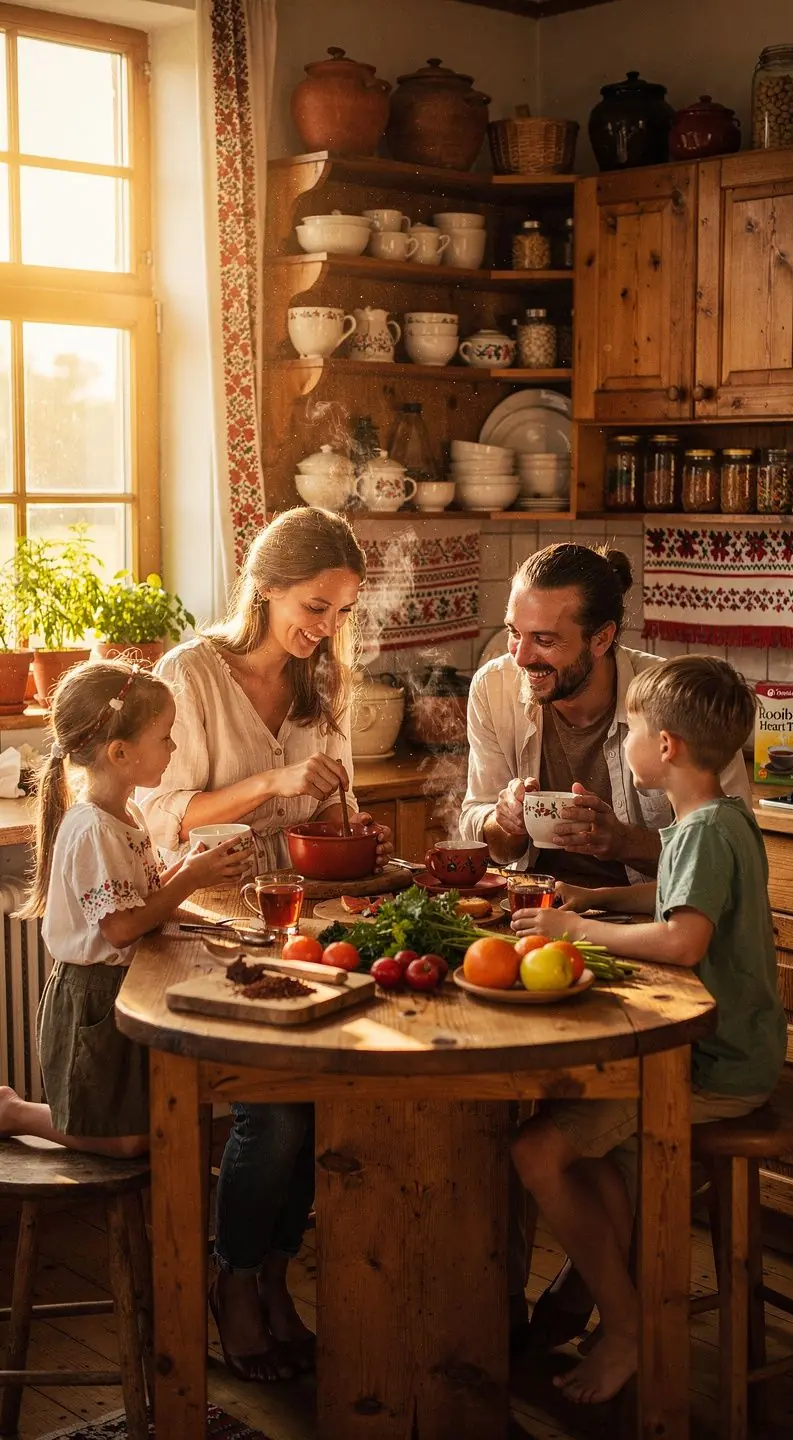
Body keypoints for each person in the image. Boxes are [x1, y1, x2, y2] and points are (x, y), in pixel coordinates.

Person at [139, 507, 391, 1384]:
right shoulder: (189, 676)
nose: (326, 630)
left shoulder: (325, 688)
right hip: (202, 930)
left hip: (298, 927)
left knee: (327, 1103)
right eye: (315, 607)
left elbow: (333, 808)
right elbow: (159, 818)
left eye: (341, 613)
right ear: (267, 586)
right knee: (276, 1110)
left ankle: (279, 1281)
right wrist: (271, 782)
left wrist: (353, 829)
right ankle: (234, 1282)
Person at [509, 656, 787, 1406]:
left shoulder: (701, 832)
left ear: (665, 746)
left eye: (630, 729)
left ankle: (630, 1328)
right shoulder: (718, 819)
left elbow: (683, 941)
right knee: (590, 1156)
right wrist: (588, 897)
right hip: (728, 1055)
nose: (623, 740)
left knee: (538, 1151)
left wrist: (571, 926)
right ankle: (602, 1312)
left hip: (714, 1068)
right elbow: (670, 902)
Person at [0, 660, 246, 1158]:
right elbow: (121, 928)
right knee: (129, 1139)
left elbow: (147, 898)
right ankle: (13, 1112)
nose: (173, 748)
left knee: (152, 1119)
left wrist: (222, 922)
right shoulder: (93, 829)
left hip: (126, 991)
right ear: (120, 752)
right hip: (93, 999)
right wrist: (191, 880)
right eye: (165, 737)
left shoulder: (127, 813)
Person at [461, 543, 752, 885]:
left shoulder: (676, 700)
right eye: (514, 632)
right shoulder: (493, 688)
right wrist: (506, 822)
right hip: (534, 906)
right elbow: (480, 831)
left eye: (544, 639)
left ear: (601, 639)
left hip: (651, 921)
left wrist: (624, 843)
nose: (520, 657)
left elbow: (733, 855)